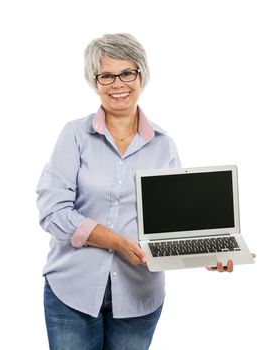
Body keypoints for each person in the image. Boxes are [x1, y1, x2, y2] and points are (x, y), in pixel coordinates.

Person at [36, 33, 235, 350]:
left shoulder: (163, 145)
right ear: (95, 81)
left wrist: (207, 253)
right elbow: (53, 212)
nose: (118, 84)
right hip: (71, 291)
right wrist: (114, 240)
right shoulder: (74, 135)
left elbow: (175, 223)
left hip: (139, 295)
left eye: (127, 73)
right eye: (106, 75)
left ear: (141, 75)